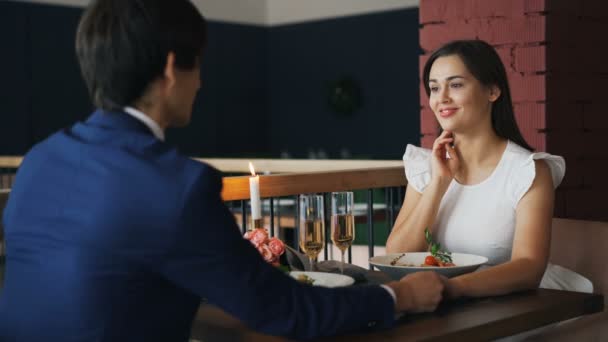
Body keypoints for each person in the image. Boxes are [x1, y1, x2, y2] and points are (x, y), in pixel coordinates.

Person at [0, 1, 446, 341]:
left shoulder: (40, 160)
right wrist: (399, 296)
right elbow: (282, 309)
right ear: (173, 67)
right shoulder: (176, 186)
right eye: (199, 64)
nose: (202, 82)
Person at [386, 40, 590, 300]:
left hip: (515, 304)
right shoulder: (427, 168)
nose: (442, 98)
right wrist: (438, 183)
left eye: (456, 84)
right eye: (434, 88)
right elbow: (396, 254)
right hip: (439, 303)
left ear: (493, 91)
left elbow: (529, 267)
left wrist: (450, 289)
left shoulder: (529, 171)